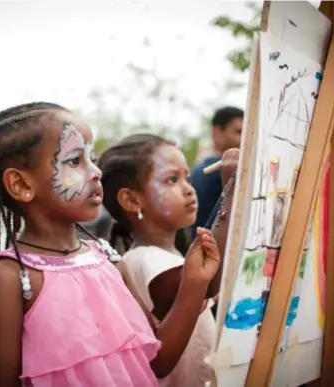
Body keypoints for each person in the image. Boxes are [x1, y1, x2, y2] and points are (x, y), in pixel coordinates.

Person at [0, 102, 221, 387]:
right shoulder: (11, 278)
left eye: (93, 158)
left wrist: (194, 282)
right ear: (21, 184)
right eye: (75, 160)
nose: (96, 172)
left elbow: (158, 362)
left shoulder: (110, 260)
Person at [99, 134, 239, 386]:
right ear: (131, 200)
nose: (188, 189)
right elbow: (209, 281)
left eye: (188, 178)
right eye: (171, 180)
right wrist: (231, 190)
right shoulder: (147, 261)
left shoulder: (161, 256)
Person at [190, 107, 243, 237]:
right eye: (239, 132)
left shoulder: (199, 169)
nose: (244, 139)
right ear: (217, 133)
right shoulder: (220, 172)